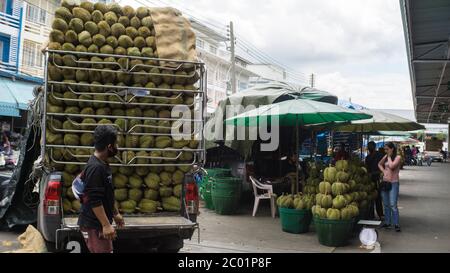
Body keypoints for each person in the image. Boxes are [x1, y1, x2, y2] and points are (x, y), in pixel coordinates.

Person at [78, 125, 124, 253]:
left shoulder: (103, 164)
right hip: (94, 225)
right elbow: (94, 200)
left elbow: (107, 194)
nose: (117, 147)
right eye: (115, 144)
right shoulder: (96, 168)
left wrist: (115, 213)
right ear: (109, 146)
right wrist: (106, 225)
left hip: (98, 224)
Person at [378, 142, 402, 232]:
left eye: (387, 149)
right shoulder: (386, 157)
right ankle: (387, 222)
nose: (385, 151)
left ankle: (396, 224)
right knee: (386, 204)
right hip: (385, 182)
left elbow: (392, 166)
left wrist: (388, 156)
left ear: (392, 149)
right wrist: (384, 171)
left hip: (394, 183)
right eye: (385, 149)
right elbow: (379, 164)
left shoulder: (398, 157)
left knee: (393, 205)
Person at [365, 141, 384, 221]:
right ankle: (375, 214)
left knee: (376, 197)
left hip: (376, 178)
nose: (370, 149)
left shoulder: (376, 156)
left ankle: (378, 214)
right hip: (371, 179)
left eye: (370, 147)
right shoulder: (370, 157)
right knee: (373, 198)